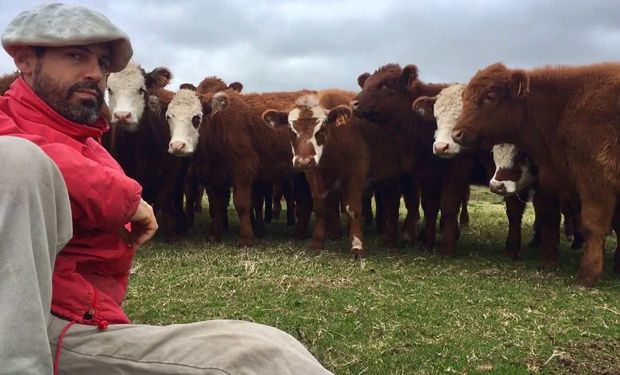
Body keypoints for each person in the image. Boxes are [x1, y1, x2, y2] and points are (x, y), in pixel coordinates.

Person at [0, 4, 332, 375]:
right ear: (25, 59)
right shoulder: (14, 128)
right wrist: (124, 198)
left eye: (103, 61)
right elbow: (16, 154)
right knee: (258, 362)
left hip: (88, 319)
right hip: (30, 330)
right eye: (76, 56)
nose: (95, 73)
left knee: (272, 344)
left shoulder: (94, 146)